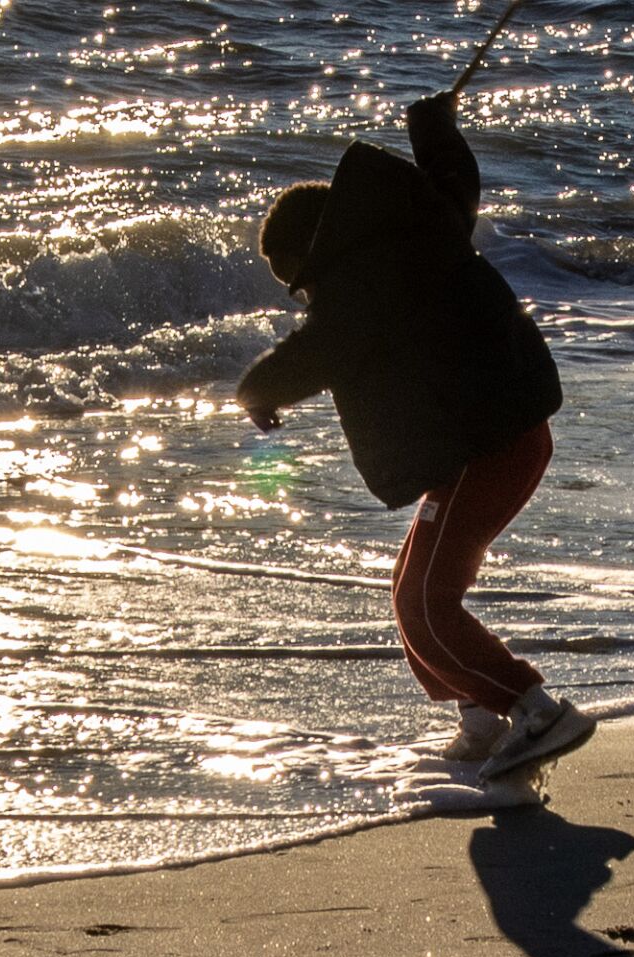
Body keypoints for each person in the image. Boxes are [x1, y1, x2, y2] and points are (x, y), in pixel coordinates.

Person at [235, 89, 596, 782]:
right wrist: (431, 124)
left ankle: (534, 710)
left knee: (428, 603)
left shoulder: (365, 279)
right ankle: (481, 720)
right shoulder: (416, 224)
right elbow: (453, 179)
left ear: (319, 249)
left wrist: (256, 390)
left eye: (303, 283)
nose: (309, 296)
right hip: (493, 436)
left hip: (490, 446)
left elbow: (321, 349)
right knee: (412, 589)